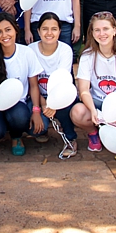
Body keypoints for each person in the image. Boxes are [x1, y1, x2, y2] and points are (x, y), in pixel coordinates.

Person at [72, 11, 116, 152]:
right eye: (97, 30)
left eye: (105, 29)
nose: (102, 34)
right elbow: (84, 90)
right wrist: (93, 110)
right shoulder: (87, 56)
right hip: (98, 102)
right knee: (77, 112)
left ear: (114, 31)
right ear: (92, 33)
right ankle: (94, 133)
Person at [0, 13, 44, 156]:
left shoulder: (26, 53)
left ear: (16, 30)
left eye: (8, 30)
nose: (4, 35)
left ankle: (16, 137)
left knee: (21, 116)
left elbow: (34, 85)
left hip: (16, 103)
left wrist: (36, 111)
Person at [29, 13, 77, 151]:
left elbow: (62, 81)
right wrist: (43, 104)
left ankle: (70, 138)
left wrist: (53, 104)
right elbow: (32, 83)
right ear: (38, 31)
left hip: (59, 95)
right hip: (37, 96)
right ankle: (43, 130)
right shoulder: (30, 50)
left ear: (60, 31)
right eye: (45, 29)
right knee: (35, 126)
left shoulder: (65, 50)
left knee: (64, 109)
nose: (49, 33)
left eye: (54, 29)